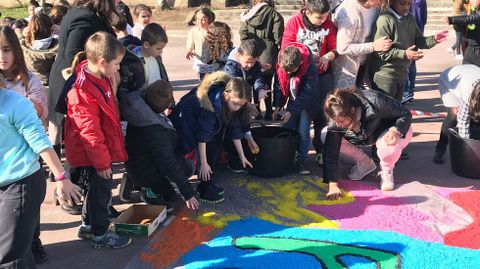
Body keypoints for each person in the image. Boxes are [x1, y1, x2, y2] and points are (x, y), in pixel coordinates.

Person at [0, 87, 81, 269]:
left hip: (20, 183)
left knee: (8, 256)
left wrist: (62, 178)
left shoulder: (15, 103)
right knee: (19, 251)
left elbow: (40, 142)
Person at [64, 32, 131, 249]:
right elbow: (89, 132)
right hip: (92, 154)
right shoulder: (82, 90)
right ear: (102, 62)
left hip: (98, 151)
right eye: (116, 64)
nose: (118, 68)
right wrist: (103, 164)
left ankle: (87, 226)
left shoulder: (99, 77)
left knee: (94, 192)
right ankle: (100, 234)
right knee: (101, 193)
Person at [48, 1, 118, 201]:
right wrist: (96, 79)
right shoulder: (83, 17)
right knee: (82, 142)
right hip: (76, 88)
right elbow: (74, 55)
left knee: (80, 141)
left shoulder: (87, 13)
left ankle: (79, 194)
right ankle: (75, 195)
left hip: (83, 84)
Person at [0, 25, 50, 265]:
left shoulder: (29, 81)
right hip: (3, 161)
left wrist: (14, 103)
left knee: (27, 212)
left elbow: (40, 110)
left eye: (7, 49)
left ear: (16, 51)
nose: (2, 56)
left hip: (28, 157)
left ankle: (33, 240)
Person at [170, 73, 253, 204]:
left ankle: (206, 183)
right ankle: (202, 187)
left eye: (241, 105)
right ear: (226, 95)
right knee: (193, 151)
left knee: (215, 148)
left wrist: (242, 156)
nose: (238, 108)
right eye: (236, 104)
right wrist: (203, 163)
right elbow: (202, 136)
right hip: (186, 124)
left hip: (209, 128)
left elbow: (235, 129)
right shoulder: (209, 105)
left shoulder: (231, 103)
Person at [119, 80, 200, 211]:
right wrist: (188, 193)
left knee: (180, 171)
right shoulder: (154, 130)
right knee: (185, 174)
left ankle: (136, 181)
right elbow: (168, 163)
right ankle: (149, 191)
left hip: (138, 162)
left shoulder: (140, 108)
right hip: (145, 169)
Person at [322, 88, 413, 199]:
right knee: (325, 134)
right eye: (335, 120)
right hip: (365, 135)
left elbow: (405, 114)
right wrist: (332, 184)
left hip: (387, 130)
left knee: (388, 147)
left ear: (352, 110)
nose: (338, 124)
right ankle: (365, 163)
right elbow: (330, 151)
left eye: (341, 121)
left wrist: (396, 130)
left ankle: (387, 170)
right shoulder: (336, 114)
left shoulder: (375, 101)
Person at [281, 0, 337, 164]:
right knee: (298, 112)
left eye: (325, 16)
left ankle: (320, 150)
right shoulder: (294, 22)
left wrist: (328, 56)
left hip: (323, 75)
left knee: (322, 114)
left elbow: (335, 47)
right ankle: (291, 149)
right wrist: (304, 53)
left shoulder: (329, 24)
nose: (322, 21)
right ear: (307, 12)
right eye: (319, 18)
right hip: (301, 75)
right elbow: (286, 47)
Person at [369, 0, 448, 101]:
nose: (406, 7)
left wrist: (434, 39)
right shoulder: (384, 20)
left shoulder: (409, 17)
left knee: (396, 111)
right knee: (384, 112)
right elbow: (380, 52)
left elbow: (420, 41)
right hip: (385, 76)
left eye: (409, 4)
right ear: (392, 2)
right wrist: (404, 54)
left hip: (402, 75)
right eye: (402, 3)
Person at [274, 42, 321, 175]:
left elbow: (308, 92)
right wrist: (278, 105)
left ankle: (301, 160)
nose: (287, 73)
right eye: (285, 70)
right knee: (287, 126)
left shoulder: (309, 67)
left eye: (291, 71)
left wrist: (291, 110)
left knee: (303, 130)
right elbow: (279, 84)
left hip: (307, 103)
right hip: (293, 100)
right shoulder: (282, 62)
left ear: (300, 64)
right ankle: (285, 156)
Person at [240, 0, 284, 121]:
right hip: (269, 53)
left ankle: (256, 111)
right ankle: (269, 112)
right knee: (267, 82)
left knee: (252, 81)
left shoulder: (248, 15)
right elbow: (278, 37)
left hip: (251, 52)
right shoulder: (275, 14)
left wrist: (248, 48)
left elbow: (243, 34)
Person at [332, 0, 391, 89]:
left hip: (363, 64)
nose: (384, 2)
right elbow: (342, 48)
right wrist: (372, 46)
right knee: (344, 100)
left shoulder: (376, 8)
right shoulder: (350, 11)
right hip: (346, 69)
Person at [433, 64, 480, 163]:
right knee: (453, 115)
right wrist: (468, 150)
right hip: (449, 80)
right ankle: (440, 149)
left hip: (469, 74)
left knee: (475, 119)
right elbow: (463, 122)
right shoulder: (467, 95)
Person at [223, 39, 269, 119]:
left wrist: (260, 89)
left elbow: (257, 78)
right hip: (234, 101)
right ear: (238, 56)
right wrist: (247, 104)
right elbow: (235, 89)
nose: (250, 65)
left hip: (244, 100)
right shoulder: (231, 68)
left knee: (244, 118)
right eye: (247, 62)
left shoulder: (255, 64)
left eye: (253, 62)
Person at [402, 0, 428, 104]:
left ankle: (406, 92)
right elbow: (424, 17)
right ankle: (409, 92)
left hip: (408, 31)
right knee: (411, 63)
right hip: (416, 30)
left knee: (406, 62)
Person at [22, 13, 59, 86]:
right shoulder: (58, 45)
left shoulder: (24, 46)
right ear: (51, 27)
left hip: (31, 83)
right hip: (53, 84)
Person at [446, 0, 480, 67]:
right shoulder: (468, 9)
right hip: (469, 47)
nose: (472, 1)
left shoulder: (475, 10)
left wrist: (452, 20)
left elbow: (475, 18)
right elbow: (464, 18)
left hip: (478, 47)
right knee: (466, 69)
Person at [186, 7, 215, 80]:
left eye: (203, 19)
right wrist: (189, 50)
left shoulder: (214, 30)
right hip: (200, 62)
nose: (200, 21)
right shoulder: (193, 31)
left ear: (209, 19)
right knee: (203, 82)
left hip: (213, 62)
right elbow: (190, 43)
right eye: (198, 19)